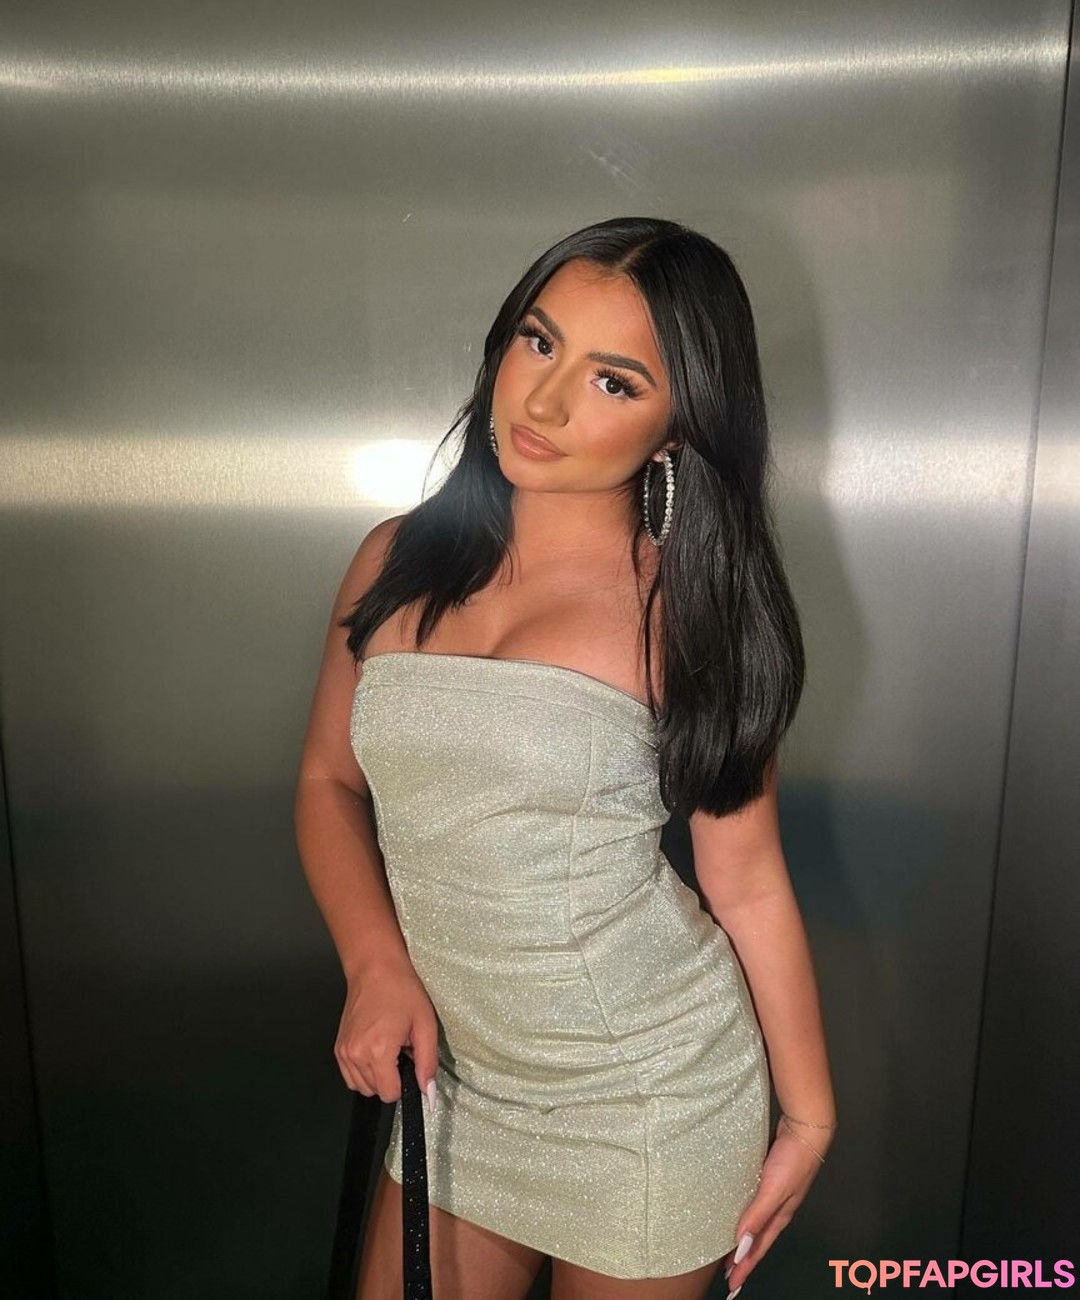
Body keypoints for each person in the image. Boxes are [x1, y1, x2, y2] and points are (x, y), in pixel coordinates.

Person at [294, 216, 837, 1300]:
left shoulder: (690, 614)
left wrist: (810, 1116)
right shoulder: (394, 558)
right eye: (539, 343)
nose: (543, 403)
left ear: (679, 425)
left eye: (613, 380)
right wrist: (374, 960)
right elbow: (327, 782)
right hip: (457, 1086)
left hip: (652, 1096)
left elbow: (746, 881)